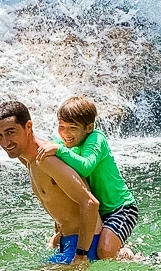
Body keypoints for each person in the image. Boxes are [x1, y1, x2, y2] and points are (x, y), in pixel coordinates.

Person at [0, 100, 101, 266]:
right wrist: (59, 231)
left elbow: (90, 203)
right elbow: (59, 197)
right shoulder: (27, 159)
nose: (5, 142)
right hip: (68, 241)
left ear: (28, 127)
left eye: (10, 132)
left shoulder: (46, 160)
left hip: (85, 243)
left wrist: (81, 256)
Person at [35, 96, 138, 260]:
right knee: (57, 243)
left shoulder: (96, 139)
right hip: (95, 213)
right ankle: (114, 241)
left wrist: (59, 151)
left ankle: (130, 255)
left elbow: (86, 166)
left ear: (89, 127)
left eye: (72, 128)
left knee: (105, 252)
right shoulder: (63, 141)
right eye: (61, 127)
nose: (65, 133)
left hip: (120, 209)